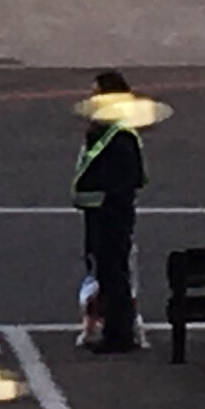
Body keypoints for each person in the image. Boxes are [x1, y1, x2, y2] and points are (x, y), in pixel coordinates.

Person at [74, 69, 151, 354]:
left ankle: (119, 335)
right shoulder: (104, 131)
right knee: (104, 272)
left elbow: (127, 179)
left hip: (110, 215)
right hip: (98, 211)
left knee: (113, 272)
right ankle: (111, 328)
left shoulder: (119, 136)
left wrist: (108, 206)